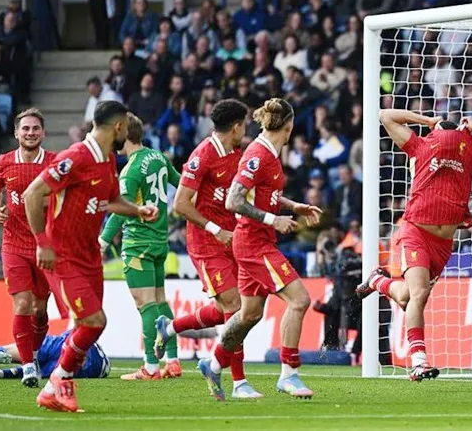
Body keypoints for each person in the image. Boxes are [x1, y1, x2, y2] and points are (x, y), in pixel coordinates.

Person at [356, 109, 472, 381]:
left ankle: (378, 282)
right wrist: (427, 121)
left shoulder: (471, 153)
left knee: (409, 297)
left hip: (444, 243)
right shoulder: (420, 145)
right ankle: (419, 361)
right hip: (416, 232)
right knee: (419, 294)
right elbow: (385, 115)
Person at [23, 101, 159, 412]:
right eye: (126, 124)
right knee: (94, 321)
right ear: (119, 127)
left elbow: (110, 199)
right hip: (62, 256)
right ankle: (60, 380)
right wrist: (42, 242)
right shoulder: (75, 157)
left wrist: (137, 210)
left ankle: (51, 388)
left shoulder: (108, 158)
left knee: (93, 324)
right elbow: (33, 193)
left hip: (89, 256)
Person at [208, 98, 322, 399]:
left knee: (249, 314)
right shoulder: (258, 155)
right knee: (299, 300)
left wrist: (293, 205)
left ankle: (215, 361)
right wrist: (275, 219)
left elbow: (263, 194)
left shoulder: (268, 153)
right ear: (289, 125)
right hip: (254, 242)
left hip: (254, 241)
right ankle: (289, 374)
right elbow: (233, 201)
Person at [154, 99, 263, 400]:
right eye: (245, 125)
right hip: (206, 243)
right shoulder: (202, 155)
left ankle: (170, 327)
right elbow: (180, 204)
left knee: (224, 312)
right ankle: (238, 382)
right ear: (237, 126)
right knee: (236, 308)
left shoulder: (237, 154)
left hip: (233, 238)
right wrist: (216, 229)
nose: (246, 130)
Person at [98, 113, 181, 380]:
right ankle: (173, 359)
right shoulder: (159, 157)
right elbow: (182, 184)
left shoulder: (130, 169)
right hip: (159, 241)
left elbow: (121, 210)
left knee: (146, 305)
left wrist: (103, 240)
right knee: (159, 301)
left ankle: (151, 367)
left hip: (138, 244)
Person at [0, 108, 57, 388]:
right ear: (16, 133)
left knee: (40, 310)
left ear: (43, 132)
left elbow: (65, 195)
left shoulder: (54, 163)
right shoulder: (4, 162)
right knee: (23, 304)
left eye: (35, 128)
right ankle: (28, 366)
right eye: (25, 128)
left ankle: (34, 354)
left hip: (43, 246)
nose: (30, 133)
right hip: (13, 243)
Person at [0, 331, 110, 381]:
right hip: (91, 367)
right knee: (39, 371)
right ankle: (1, 373)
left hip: (68, 344)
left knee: (32, 354)